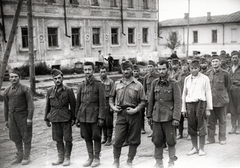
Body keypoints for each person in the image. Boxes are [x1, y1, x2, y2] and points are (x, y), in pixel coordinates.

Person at [109, 60, 146, 168]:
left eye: (128, 69)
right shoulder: (116, 84)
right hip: (121, 114)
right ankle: (116, 161)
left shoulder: (138, 85)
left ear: (131, 70)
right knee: (117, 139)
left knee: (134, 140)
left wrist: (135, 110)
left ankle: (130, 161)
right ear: (121, 70)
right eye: (124, 69)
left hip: (134, 114)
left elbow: (143, 101)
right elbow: (111, 98)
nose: (126, 71)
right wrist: (113, 107)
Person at [147, 60, 181, 168]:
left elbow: (177, 101)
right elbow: (151, 100)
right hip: (156, 117)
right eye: (159, 69)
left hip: (169, 117)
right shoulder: (154, 83)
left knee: (171, 141)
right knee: (157, 140)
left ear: (168, 69)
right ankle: (158, 162)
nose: (161, 71)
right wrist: (149, 115)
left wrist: (176, 117)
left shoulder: (174, 83)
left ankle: (171, 161)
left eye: (163, 69)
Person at [75, 61, 106, 167]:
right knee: (86, 137)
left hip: (95, 116)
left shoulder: (99, 85)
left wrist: (101, 117)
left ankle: (97, 158)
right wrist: (77, 118)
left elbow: (103, 103)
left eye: (89, 69)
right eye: (85, 70)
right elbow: (78, 103)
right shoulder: (81, 85)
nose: (87, 72)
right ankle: (90, 157)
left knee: (96, 136)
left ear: (93, 71)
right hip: (83, 116)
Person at [44, 69, 76, 166]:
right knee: (58, 139)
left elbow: (73, 105)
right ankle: (60, 157)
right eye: (55, 78)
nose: (57, 80)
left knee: (67, 138)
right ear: (52, 80)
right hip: (54, 118)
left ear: (62, 78)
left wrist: (74, 118)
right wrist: (46, 118)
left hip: (65, 117)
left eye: (59, 78)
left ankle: (67, 158)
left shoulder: (69, 90)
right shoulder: (49, 91)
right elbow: (47, 106)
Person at [3, 68, 34, 165]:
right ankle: (20, 156)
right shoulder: (7, 91)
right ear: (9, 78)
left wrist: (29, 118)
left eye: (16, 77)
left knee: (26, 136)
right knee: (16, 137)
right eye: (12, 77)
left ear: (19, 78)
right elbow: (6, 106)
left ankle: (26, 156)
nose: (14, 78)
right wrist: (6, 120)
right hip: (12, 117)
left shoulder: (25, 89)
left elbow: (30, 105)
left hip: (23, 116)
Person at [182, 59, 212, 156]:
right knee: (191, 126)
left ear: (199, 68)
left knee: (201, 126)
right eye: (192, 68)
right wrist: (183, 108)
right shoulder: (187, 79)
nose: (193, 70)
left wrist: (208, 108)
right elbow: (184, 94)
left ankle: (202, 148)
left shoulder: (205, 78)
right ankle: (195, 147)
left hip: (201, 104)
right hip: (190, 104)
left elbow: (208, 93)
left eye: (195, 68)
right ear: (189, 69)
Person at [205, 55, 231, 145]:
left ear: (220, 62)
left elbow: (228, 87)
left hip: (221, 101)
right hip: (211, 101)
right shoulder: (208, 73)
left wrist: (222, 96)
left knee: (222, 121)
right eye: (213, 61)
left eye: (216, 61)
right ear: (211, 63)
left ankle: (222, 138)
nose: (215, 63)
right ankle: (210, 138)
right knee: (210, 121)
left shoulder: (225, 74)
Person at [143, 60, 160, 137]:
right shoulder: (146, 77)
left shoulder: (158, 76)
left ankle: (157, 131)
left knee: (157, 115)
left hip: (156, 98)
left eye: (151, 67)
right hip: (148, 99)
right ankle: (153, 131)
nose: (150, 68)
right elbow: (144, 89)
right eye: (148, 67)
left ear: (155, 67)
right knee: (148, 115)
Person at [99, 66, 114, 146]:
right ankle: (104, 138)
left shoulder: (111, 82)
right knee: (102, 122)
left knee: (109, 122)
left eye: (104, 71)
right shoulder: (98, 82)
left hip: (108, 104)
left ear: (107, 72)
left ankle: (109, 139)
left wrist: (112, 106)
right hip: (101, 104)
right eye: (101, 72)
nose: (103, 73)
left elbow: (113, 95)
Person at [178, 59, 190, 140]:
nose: (184, 67)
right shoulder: (178, 75)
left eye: (185, 65)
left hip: (188, 98)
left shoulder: (190, 75)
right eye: (182, 65)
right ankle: (180, 133)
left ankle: (190, 133)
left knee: (190, 117)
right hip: (180, 98)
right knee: (179, 117)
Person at [228, 51, 240, 134]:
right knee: (232, 110)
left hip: (239, 91)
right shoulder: (229, 69)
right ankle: (233, 127)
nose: (235, 59)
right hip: (230, 91)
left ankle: (239, 127)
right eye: (233, 58)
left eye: (236, 57)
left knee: (239, 109)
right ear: (231, 59)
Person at [132, 64, 145, 134]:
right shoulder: (130, 80)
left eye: (137, 71)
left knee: (141, 113)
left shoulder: (142, 79)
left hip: (140, 98)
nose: (136, 72)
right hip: (133, 99)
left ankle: (142, 127)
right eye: (134, 71)